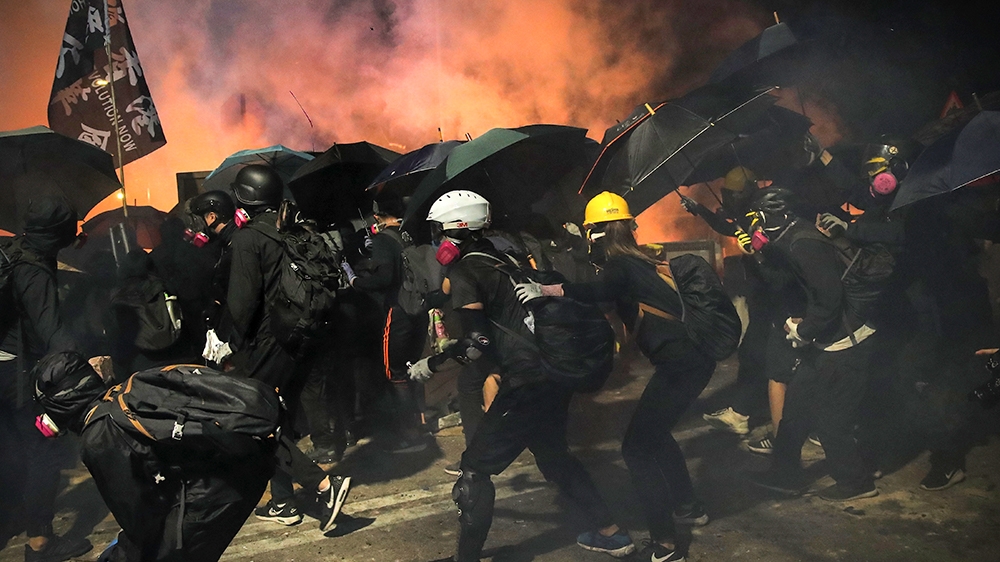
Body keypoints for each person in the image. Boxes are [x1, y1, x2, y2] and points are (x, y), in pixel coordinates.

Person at [407, 190, 635, 561]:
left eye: (438, 231)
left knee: (474, 472)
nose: (436, 240)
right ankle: (612, 534)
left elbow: (476, 342)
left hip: (526, 381)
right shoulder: (502, 257)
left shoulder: (466, 269)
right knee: (553, 455)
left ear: (457, 229)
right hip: (551, 372)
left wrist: (429, 366)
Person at [517, 191, 716, 562]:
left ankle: (666, 545)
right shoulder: (638, 260)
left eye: (589, 233)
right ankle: (688, 506)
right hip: (692, 360)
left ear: (596, 233)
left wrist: (548, 289)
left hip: (680, 364)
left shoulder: (619, 266)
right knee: (655, 434)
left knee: (636, 448)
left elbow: (600, 291)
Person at [218, 164, 350, 531]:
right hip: (304, 339)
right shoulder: (294, 231)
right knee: (278, 421)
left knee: (254, 422)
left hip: (270, 341)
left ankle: (322, 484)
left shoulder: (248, 239)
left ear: (243, 199)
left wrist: (229, 343)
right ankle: (283, 501)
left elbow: (242, 305)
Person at [745, 187, 881, 502]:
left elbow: (830, 296)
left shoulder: (804, 243)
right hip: (827, 343)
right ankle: (785, 475)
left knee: (831, 421)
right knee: (795, 410)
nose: (758, 224)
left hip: (847, 344)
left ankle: (856, 482)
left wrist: (805, 330)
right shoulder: (795, 238)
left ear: (774, 214)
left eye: (759, 217)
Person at [0, 195, 92, 562]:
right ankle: (40, 542)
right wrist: (82, 373)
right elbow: (50, 330)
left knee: (10, 450)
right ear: (57, 233)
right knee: (44, 449)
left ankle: (10, 520)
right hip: (17, 374)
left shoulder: (12, 250)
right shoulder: (34, 269)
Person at [342, 192, 430, 454]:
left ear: (378, 216)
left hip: (398, 310)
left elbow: (384, 279)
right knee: (411, 367)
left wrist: (356, 280)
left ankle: (409, 433)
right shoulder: (408, 234)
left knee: (394, 372)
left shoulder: (382, 239)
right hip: (418, 308)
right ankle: (419, 423)